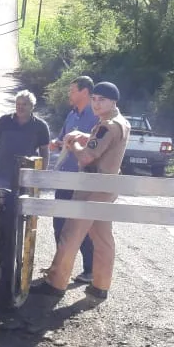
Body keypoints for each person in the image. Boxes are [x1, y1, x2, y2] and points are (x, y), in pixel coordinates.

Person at [39, 81, 130, 302]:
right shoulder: (122, 122)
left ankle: (56, 283)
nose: (96, 104)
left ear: (113, 102)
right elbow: (102, 146)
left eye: (102, 100)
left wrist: (73, 145)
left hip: (91, 186)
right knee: (102, 237)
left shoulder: (106, 126)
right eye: (95, 99)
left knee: (70, 234)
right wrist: (85, 137)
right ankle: (100, 285)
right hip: (108, 186)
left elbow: (87, 157)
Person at [50, 76, 100, 284]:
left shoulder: (97, 117)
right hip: (65, 177)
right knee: (59, 223)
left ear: (85, 92)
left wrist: (81, 138)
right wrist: (57, 143)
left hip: (83, 179)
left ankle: (89, 270)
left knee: (83, 226)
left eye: (72, 90)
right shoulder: (70, 115)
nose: (69, 94)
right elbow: (63, 139)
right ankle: (61, 268)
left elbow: (99, 143)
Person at [0, 90, 51, 189]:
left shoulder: (41, 126)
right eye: (18, 104)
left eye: (24, 104)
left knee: (25, 204)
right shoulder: (4, 121)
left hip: (28, 176)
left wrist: (41, 176)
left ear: (32, 106)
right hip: (3, 175)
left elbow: (45, 153)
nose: (20, 107)